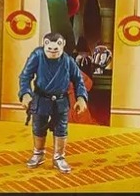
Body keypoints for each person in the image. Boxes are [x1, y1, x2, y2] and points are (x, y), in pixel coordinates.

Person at [18, 32, 89, 173]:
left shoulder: (68, 60)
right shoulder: (37, 56)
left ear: (63, 45)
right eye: (49, 48)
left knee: (61, 129)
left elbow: (78, 80)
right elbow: (25, 76)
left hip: (61, 101)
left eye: (57, 47)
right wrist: (25, 93)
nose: (52, 50)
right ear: (44, 45)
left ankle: (59, 157)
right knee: (38, 127)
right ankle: (38, 154)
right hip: (41, 99)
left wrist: (81, 97)